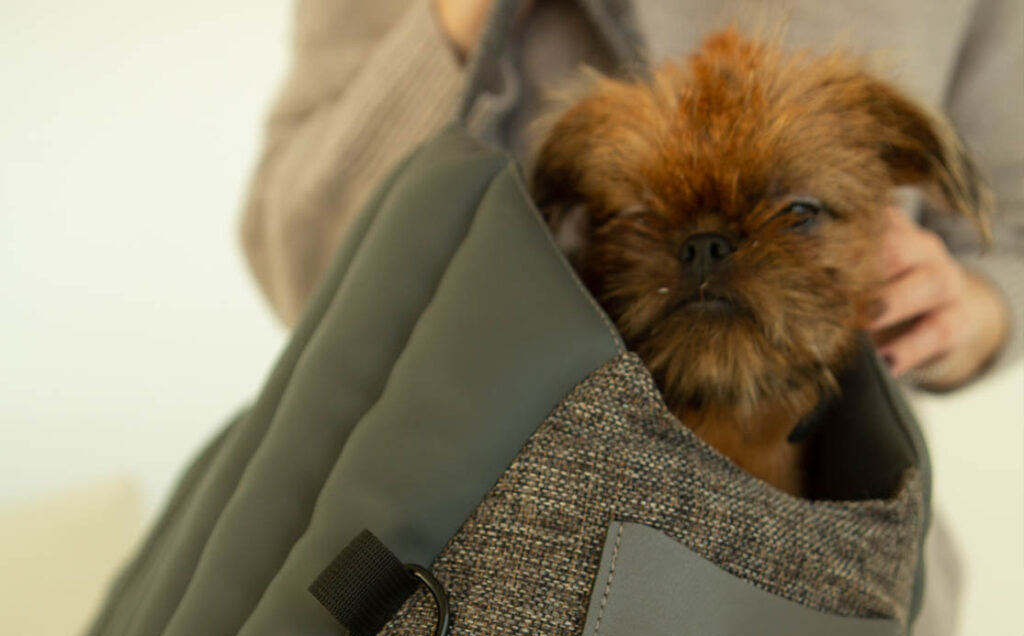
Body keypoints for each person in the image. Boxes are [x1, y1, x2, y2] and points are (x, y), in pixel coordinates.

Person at [239, 0, 1020, 393]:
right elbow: (303, 265)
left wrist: (976, 309)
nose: (710, 254)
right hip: (482, 539)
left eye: (797, 213)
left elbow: (1012, 224)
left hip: (825, 543)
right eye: (632, 216)